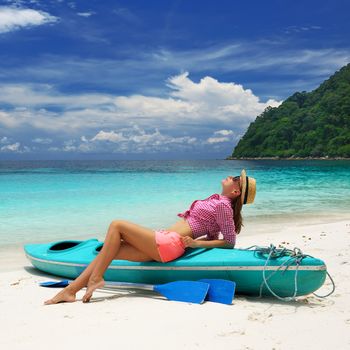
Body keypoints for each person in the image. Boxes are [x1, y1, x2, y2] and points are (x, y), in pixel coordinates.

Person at [44, 169, 256, 305]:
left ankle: (97, 278)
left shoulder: (222, 205)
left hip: (169, 244)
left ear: (236, 191)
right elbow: (214, 233)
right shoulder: (219, 203)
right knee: (110, 250)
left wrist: (195, 243)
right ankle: (71, 291)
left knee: (116, 225)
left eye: (236, 179)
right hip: (165, 244)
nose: (232, 177)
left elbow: (229, 242)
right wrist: (200, 243)